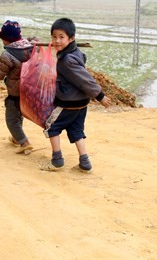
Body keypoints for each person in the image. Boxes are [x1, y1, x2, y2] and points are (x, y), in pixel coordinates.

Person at [40, 18, 111, 173]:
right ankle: (85, 163)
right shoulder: (75, 52)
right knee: (76, 131)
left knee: (51, 126)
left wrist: (100, 96)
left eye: (61, 37)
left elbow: (85, 80)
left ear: (71, 38)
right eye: (54, 37)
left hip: (68, 104)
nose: (57, 41)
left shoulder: (66, 60)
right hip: (81, 104)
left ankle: (57, 160)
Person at [0, 20, 35, 154]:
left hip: (15, 92)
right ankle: (16, 138)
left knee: (11, 118)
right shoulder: (31, 48)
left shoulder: (8, 55)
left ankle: (24, 142)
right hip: (29, 90)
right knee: (19, 113)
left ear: (6, 39)